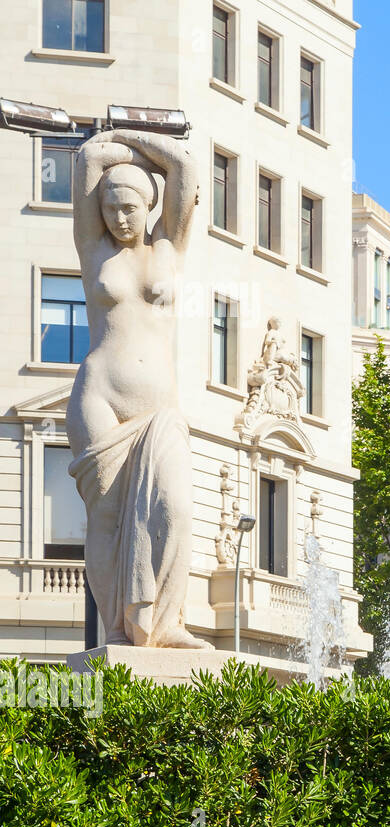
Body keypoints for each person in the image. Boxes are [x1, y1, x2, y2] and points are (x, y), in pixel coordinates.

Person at [67, 129, 210, 648]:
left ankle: (167, 622)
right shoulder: (92, 249)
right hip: (99, 398)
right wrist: (107, 149)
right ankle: (116, 630)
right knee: (105, 519)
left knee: (173, 507)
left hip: (158, 410)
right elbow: (88, 155)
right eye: (109, 209)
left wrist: (126, 136)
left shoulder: (170, 247)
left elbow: (184, 167)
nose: (119, 219)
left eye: (129, 208)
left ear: (149, 206)